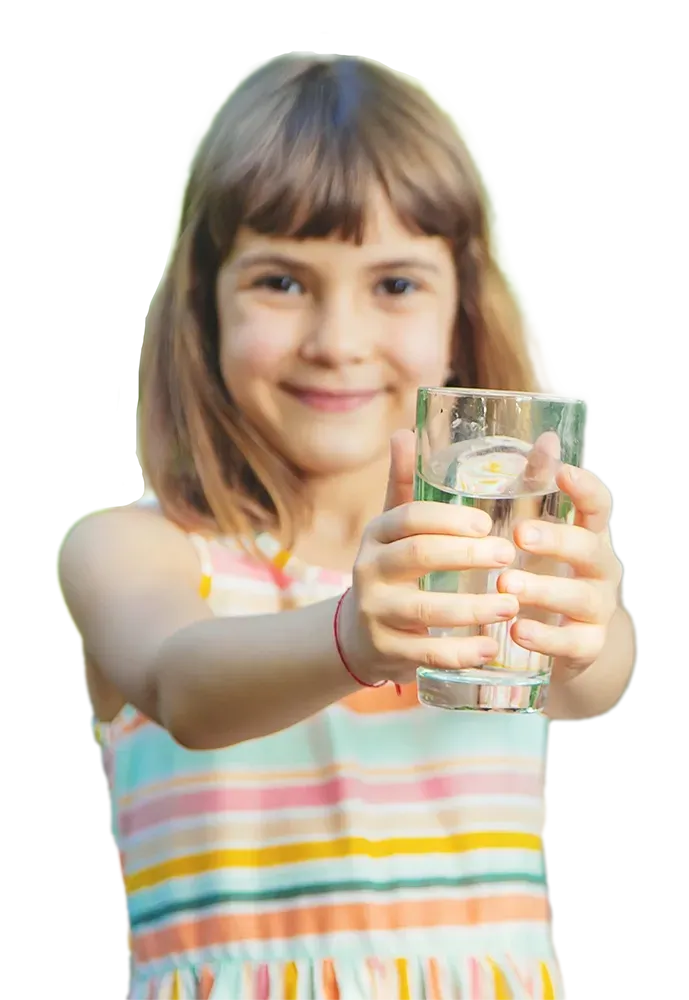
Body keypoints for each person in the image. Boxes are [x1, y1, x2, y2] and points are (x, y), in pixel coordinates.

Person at [59, 56, 635, 1000]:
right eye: (281, 283)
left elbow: (593, 680)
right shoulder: (136, 550)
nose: (337, 338)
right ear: (202, 304)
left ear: (459, 308)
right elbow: (182, 685)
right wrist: (351, 638)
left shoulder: (489, 555)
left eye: (395, 285)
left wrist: (577, 625)